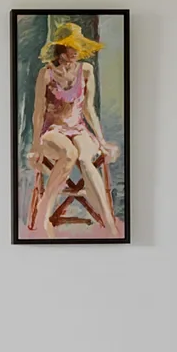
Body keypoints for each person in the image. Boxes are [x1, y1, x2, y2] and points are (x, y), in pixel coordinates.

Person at [25, 21, 121, 237]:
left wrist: (102, 140)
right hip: (53, 130)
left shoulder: (86, 70)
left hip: (78, 128)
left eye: (78, 47)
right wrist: (36, 146)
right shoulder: (46, 74)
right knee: (69, 154)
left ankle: (109, 222)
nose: (76, 52)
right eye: (72, 47)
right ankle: (45, 211)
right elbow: (38, 112)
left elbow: (88, 109)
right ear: (61, 49)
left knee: (86, 159)